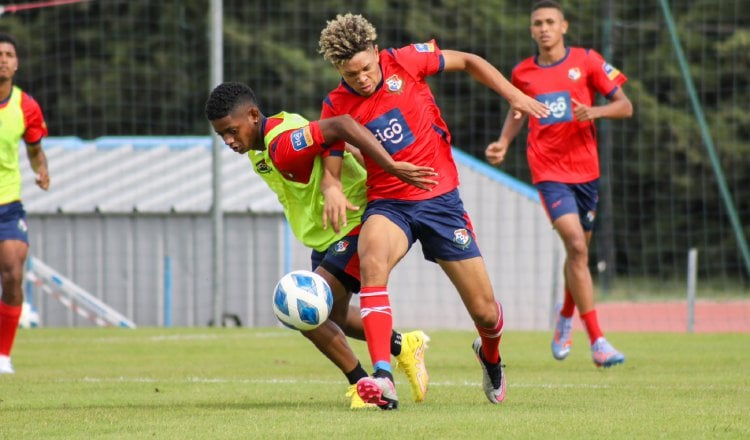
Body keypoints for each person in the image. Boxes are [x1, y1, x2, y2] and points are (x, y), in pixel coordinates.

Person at [318, 13, 550, 409]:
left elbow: (470, 61)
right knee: (372, 261)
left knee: (486, 313)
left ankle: (490, 356)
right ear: (338, 70)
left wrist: (512, 94)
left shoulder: (407, 60)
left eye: (366, 68)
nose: (361, 79)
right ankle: (383, 376)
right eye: (349, 73)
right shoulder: (336, 106)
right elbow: (332, 165)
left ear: (377, 53)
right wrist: (332, 187)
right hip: (389, 204)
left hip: (441, 202)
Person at [204, 81, 436, 408]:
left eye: (231, 131)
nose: (228, 141)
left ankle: (367, 388)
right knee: (334, 318)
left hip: (354, 225)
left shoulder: (283, 142)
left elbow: (339, 125)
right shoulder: (259, 151)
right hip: (327, 235)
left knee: (301, 308)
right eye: (222, 135)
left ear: (253, 115)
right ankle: (403, 345)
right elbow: (328, 139)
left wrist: (375, 170)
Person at [485, 0, 633, 368]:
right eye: (537, 23)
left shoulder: (587, 61)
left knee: (579, 252)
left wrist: (594, 110)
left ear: (564, 26)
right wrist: (504, 142)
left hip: (587, 172)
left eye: (551, 22)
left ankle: (565, 314)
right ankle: (598, 341)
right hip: (549, 172)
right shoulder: (523, 73)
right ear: (532, 30)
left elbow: (625, 106)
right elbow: (518, 109)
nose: (544, 28)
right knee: (576, 246)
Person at [0, 33, 50, 374]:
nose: (2, 58)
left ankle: (3, 356)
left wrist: (42, 170)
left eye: (8, 54)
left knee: (14, 275)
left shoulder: (26, 106)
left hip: (8, 203)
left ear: (17, 64)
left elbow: (34, 149)